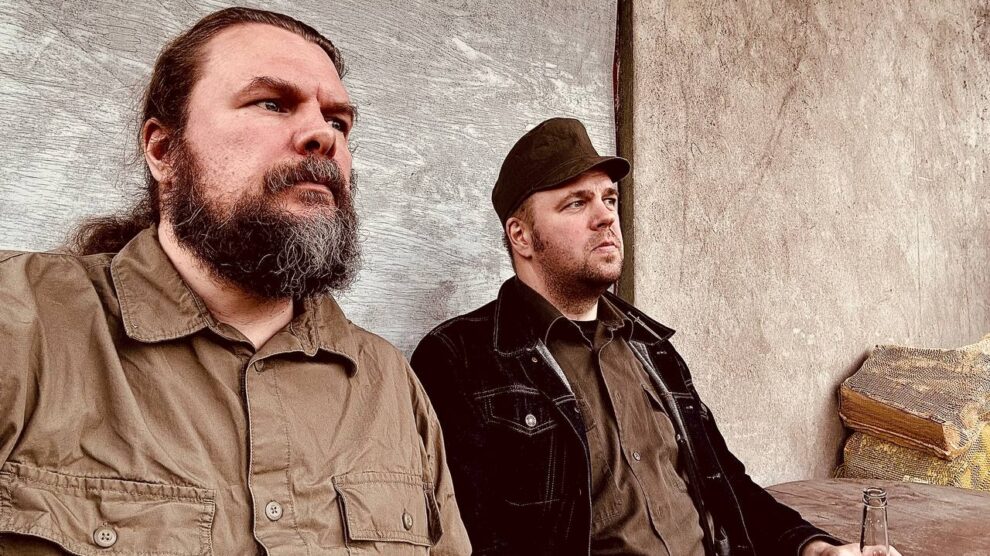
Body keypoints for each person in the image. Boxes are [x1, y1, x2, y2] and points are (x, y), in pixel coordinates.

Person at [0, 7, 469, 555]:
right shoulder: (20, 319)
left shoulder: (389, 383)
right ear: (163, 151)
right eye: (271, 103)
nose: (322, 135)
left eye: (339, 122)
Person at [411, 118, 898, 556]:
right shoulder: (460, 358)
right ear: (521, 236)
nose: (605, 217)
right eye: (576, 203)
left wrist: (815, 548)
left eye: (609, 199)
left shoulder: (650, 346)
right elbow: (466, 536)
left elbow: (726, 482)